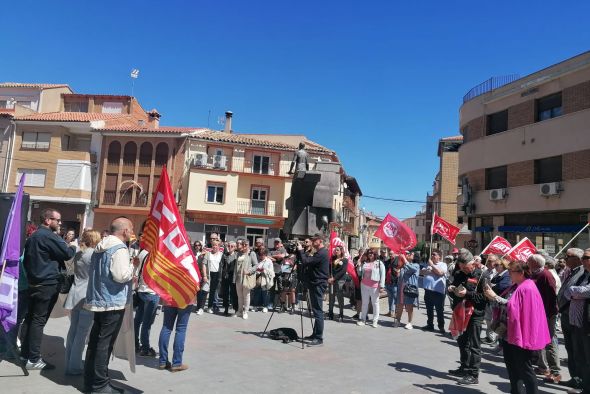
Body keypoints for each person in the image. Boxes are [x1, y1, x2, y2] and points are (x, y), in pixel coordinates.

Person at [84, 217, 136, 394]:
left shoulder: (101, 245)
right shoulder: (119, 248)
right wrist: (132, 267)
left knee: (95, 341)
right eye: (131, 229)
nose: (131, 232)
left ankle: (90, 380)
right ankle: (100, 385)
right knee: (104, 344)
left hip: (99, 300)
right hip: (112, 302)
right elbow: (120, 275)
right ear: (125, 231)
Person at [20, 208, 76, 370]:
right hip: (46, 285)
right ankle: (34, 358)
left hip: (34, 283)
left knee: (31, 319)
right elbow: (66, 253)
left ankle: (26, 354)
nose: (59, 223)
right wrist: (72, 246)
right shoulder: (48, 236)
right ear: (47, 220)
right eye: (57, 220)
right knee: (38, 321)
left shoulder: (34, 236)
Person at [484, 261, 550, 394]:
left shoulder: (528, 287)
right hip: (509, 333)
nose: (509, 274)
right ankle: (516, 391)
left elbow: (515, 308)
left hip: (521, 334)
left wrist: (495, 297)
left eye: (511, 271)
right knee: (512, 367)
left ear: (521, 273)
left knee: (525, 368)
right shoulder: (516, 286)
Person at [447, 248, 487, 386]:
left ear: (473, 263)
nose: (463, 270)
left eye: (466, 267)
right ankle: (464, 367)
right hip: (460, 312)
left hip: (475, 314)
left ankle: (473, 374)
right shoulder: (459, 273)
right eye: (461, 267)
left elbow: (484, 298)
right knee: (462, 342)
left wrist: (467, 294)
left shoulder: (482, 275)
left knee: (474, 345)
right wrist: (451, 289)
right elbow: (454, 288)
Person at [63, 229, 101, 376]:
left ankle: (70, 363)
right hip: (86, 295)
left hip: (75, 293)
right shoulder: (94, 255)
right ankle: (74, 366)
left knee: (73, 329)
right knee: (82, 333)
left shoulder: (79, 253)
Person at [527, 254, 561, 384]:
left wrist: (547, 314)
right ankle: (543, 368)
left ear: (535, 263)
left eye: (529, 261)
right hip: (539, 314)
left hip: (547, 314)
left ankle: (555, 372)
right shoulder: (535, 274)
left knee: (550, 342)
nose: (527, 263)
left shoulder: (545, 275)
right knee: (541, 341)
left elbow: (552, 297)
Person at [557, 247, 586, 391]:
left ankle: (581, 381)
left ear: (578, 259)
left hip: (574, 316)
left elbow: (578, 292)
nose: (565, 259)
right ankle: (575, 378)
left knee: (577, 350)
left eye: (568, 257)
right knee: (570, 349)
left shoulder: (582, 272)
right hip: (566, 315)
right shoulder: (571, 271)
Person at [562, 248, 590, 394]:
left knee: (587, 357)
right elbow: (567, 292)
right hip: (576, 320)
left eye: (587, 257)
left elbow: (586, 291)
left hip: (586, 322)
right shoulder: (583, 274)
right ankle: (582, 384)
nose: (584, 260)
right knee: (578, 354)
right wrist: (577, 291)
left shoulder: (582, 273)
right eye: (584, 257)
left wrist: (576, 291)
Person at [297, 233, 329, 346]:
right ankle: (315, 334)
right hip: (315, 283)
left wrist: (301, 251)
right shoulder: (318, 252)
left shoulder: (322, 253)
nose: (312, 242)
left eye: (314, 240)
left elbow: (306, 262)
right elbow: (307, 262)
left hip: (318, 284)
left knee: (318, 311)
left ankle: (319, 338)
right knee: (316, 310)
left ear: (320, 241)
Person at [133, 232, 159, 357]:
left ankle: (135, 344)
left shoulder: (142, 253)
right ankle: (145, 347)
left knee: (138, 319)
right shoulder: (153, 255)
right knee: (147, 322)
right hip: (151, 291)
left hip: (141, 290)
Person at [158, 298, 194, 373]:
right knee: (181, 329)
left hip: (169, 297)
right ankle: (177, 363)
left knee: (166, 327)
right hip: (185, 297)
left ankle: (162, 361)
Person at [483, 257, 511, 346]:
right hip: (492, 300)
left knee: (497, 322)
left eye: (496, 265)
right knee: (490, 320)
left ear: (503, 265)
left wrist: (492, 286)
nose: (494, 267)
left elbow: (502, 286)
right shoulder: (498, 274)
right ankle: (494, 340)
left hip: (499, 301)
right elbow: (491, 283)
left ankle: (496, 341)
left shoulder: (506, 274)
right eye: (494, 265)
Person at [356, 248, 385, 328]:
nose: (370, 254)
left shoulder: (379, 263)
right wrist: (359, 266)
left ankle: (375, 321)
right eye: (369, 253)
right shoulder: (365, 263)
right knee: (365, 303)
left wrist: (382, 286)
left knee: (375, 303)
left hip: (374, 286)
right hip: (364, 285)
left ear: (375, 254)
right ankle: (363, 319)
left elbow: (383, 275)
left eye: (372, 253)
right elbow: (360, 273)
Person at [421, 249, 448, 333]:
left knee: (439, 310)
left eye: (434, 254)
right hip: (428, 290)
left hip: (438, 291)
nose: (432, 256)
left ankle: (441, 326)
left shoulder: (443, 264)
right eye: (432, 254)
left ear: (439, 256)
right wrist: (429, 269)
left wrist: (432, 266)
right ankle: (430, 325)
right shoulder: (428, 264)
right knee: (429, 309)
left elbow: (440, 273)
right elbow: (422, 272)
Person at [393, 251, 419, 330]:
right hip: (401, 287)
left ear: (415, 257)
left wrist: (404, 259)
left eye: (410, 254)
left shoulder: (416, 265)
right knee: (400, 305)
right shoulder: (403, 265)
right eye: (407, 254)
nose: (408, 255)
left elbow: (412, 269)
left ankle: (409, 322)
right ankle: (398, 320)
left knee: (409, 306)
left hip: (410, 288)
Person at [233, 238, 258, 319]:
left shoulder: (251, 253)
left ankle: (245, 311)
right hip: (238, 277)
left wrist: (249, 271)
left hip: (247, 277)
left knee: (246, 295)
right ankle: (239, 311)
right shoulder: (239, 253)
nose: (244, 246)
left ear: (249, 245)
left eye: (246, 244)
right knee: (239, 295)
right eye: (243, 244)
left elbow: (256, 265)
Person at [328, 245, 350, 322]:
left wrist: (334, 278)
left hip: (340, 280)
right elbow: (329, 268)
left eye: (337, 250)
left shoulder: (345, 260)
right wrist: (329, 277)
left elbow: (343, 271)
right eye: (335, 250)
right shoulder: (332, 259)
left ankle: (341, 314)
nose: (336, 251)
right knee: (331, 297)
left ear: (341, 251)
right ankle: (330, 313)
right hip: (332, 280)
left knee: (340, 297)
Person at [204, 240, 223, 314]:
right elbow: (204, 264)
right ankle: (203, 307)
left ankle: (211, 306)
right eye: (213, 245)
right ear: (212, 246)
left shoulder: (221, 254)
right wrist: (205, 275)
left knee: (213, 291)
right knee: (205, 290)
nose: (215, 246)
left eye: (216, 245)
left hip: (217, 274)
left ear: (219, 246)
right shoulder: (208, 254)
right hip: (209, 274)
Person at [220, 241, 238, 316]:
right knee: (225, 293)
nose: (230, 247)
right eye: (229, 246)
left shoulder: (237, 256)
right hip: (225, 276)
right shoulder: (224, 255)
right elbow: (221, 266)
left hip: (233, 277)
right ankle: (226, 308)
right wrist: (221, 276)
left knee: (234, 293)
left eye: (232, 246)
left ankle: (236, 309)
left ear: (235, 248)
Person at [254, 247, 274, 313]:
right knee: (256, 292)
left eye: (262, 254)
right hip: (257, 278)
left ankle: (265, 306)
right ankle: (255, 306)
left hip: (265, 279)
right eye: (260, 254)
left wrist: (264, 270)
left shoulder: (269, 261)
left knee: (265, 293)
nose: (261, 256)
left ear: (265, 254)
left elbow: (271, 272)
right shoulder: (257, 260)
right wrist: (257, 271)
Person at [269, 238, 287, 310]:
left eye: (278, 242)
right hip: (272, 271)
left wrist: (274, 257)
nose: (276, 244)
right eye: (275, 242)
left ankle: (281, 304)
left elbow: (282, 256)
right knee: (272, 288)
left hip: (280, 272)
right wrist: (277, 257)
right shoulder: (271, 250)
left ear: (280, 243)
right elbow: (267, 257)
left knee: (281, 288)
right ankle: (271, 303)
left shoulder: (283, 249)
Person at [383, 252, 398, 317]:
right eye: (390, 253)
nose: (390, 254)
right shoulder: (387, 261)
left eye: (392, 253)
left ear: (395, 254)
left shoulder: (398, 261)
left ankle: (397, 312)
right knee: (390, 298)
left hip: (394, 283)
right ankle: (390, 311)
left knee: (396, 299)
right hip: (388, 282)